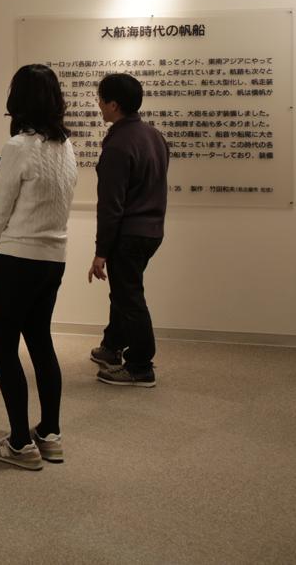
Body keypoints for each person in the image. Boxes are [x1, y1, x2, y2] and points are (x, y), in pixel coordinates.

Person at [0, 64, 78, 471]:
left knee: (4, 347)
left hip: (16, 258)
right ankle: (50, 433)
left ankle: (20, 442)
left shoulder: (19, 147)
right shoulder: (66, 146)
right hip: (52, 259)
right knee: (40, 342)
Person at [89, 73, 169, 389]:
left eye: (101, 99)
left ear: (114, 104)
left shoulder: (119, 145)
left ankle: (140, 365)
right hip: (152, 230)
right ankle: (111, 347)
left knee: (129, 296)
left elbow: (111, 205)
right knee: (124, 291)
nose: (98, 105)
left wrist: (100, 252)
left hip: (129, 232)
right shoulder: (154, 136)